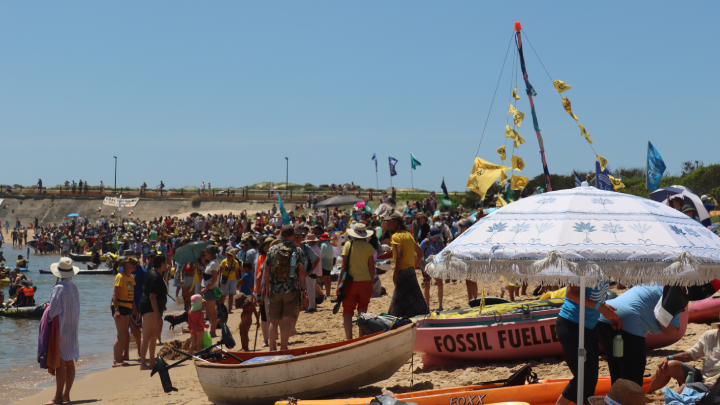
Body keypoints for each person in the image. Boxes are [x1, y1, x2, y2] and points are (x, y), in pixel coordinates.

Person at [596, 286, 681, 386]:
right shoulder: (674, 294)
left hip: (604, 315)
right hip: (628, 320)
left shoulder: (652, 283)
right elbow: (670, 332)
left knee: (616, 368)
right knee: (633, 377)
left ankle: (616, 400)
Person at [554, 279, 621, 405]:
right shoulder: (585, 265)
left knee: (590, 378)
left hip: (589, 327)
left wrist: (608, 312)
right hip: (572, 324)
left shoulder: (604, 267)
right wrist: (601, 308)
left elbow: (594, 299)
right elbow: (571, 294)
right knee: (585, 377)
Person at [646, 321, 720, 398]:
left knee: (686, 387)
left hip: (716, 385)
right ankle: (643, 390)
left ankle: (653, 400)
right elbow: (690, 355)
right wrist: (669, 358)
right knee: (669, 366)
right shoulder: (710, 335)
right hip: (704, 376)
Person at [262, 225, 306, 351]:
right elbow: (302, 273)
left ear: (281, 235)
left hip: (275, 289)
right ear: (293, 235)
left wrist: (267, 288)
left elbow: (266, 271)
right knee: (287, 320)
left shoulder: (272, 249)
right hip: (291, 289)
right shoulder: (297, 251)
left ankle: (272, 349)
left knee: (274, 321)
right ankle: (283, 348)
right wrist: (303, 290)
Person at [44, 257, 80, 405]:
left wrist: (48, 307)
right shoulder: (74, 287)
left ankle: (58, 397)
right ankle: (66, 395)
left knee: (60, 365)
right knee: (70, 362)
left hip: (62, 329)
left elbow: (54, 311)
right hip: (73, 329)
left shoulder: (59, 288)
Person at [387, 212, 428, 317]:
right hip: (410, 271)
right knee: (415, 299)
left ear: (396, 223)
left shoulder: (396, 237)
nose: (388, 225)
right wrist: (413, 266)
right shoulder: (408, 235)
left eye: (390, 223)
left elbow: (399, 256)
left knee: (398, 302)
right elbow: (421, 253)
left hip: (402, 271)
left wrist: (395, 273)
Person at [339, 224, 376, 339]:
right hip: (366, 282)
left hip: (351, 283)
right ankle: (361, 337)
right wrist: (371, 282)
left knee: (348, 310)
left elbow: (344, 267)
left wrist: (339, 284)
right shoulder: (369, 247)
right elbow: (372, 268)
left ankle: (349, 339)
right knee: (363, 309)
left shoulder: (348, 245)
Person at [138, 255, 168, 370]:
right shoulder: (155, 277)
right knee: (147, 337)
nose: (167, 264)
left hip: (151, 307)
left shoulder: (152, 272)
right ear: (161, 264)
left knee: (153, 335)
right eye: (166, 263)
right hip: (150, 308)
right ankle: (143, 364)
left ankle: (151, 361)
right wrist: (157, 315)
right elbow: (152, 297)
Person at [111, 256, 139, 367]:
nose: (134, 265)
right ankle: (116, 359)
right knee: (121, 334)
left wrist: (135, 310)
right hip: (119, 306)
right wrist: (116, 310)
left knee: (125, 334)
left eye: (135, 263)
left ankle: (119, 358)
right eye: (132, 263)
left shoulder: (131, 277)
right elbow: (114, 295)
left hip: (127, 307)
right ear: (125, 265)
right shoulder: (120, 276)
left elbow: (131, 296)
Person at [419, 227, 444, 311]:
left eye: (438, 236)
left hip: (437, 266)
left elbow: (443, 252)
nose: (436, 238)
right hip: (427, 267)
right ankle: (427, 307)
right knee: (427, 287)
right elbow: (419, 256)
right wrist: (423, 268)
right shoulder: (424, 242)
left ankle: (440, 306)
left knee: (440, 284)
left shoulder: (439, 242)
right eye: (435, 236)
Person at [200, 245, 220, 338]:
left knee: (211, 312)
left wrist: (205, 289)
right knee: (211, 312)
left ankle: (212, 332)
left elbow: (214, 279)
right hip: (209, 290)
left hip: (210, 290)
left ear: (211, 254)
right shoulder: (211, 262)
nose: (205, 254)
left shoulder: (213, 263)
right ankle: (212, 331)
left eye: (207, 252)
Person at [303, 234, 322, 314]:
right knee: (311, 289)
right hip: (315, 270)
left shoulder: (312, 248)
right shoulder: (316, 247)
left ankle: (312, 307)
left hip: (311, 271)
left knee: (310, 289)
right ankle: (312, 306)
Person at [219, 248, 241, 313]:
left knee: (231, 294)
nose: (229, 256)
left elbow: (237, 272)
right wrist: (218, 281)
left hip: (233, 280)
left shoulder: (236, 262)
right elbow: (220, 272)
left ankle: (229, 309)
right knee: (224, 295)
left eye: (230, 255)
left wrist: (238, 281)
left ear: (233, 257)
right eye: (228, 255)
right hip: (225, 279)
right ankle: (221, 308)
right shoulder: (224, 262)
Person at [319, 233, 334, 298]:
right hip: (330, 262)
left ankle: (327, 294)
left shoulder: (323, 245)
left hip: (324, 262)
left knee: (325, 279)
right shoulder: (330, 244)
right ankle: (328, 293)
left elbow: (322, 255)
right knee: (328, 278)